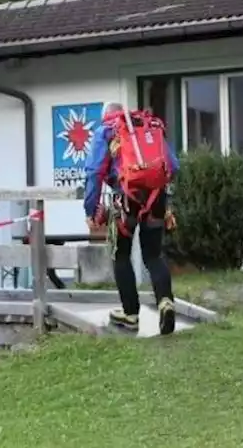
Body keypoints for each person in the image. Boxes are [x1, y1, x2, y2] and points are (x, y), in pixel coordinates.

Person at [82, 102, 180, 335]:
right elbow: (173, 166)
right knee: (154, 254)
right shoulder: (149, 127)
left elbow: (94, 172)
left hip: (125, 200)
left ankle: (130, 314)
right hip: (156, 198)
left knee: (121, 254)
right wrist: (167, 204)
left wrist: (90, 209)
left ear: (106, 115)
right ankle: (165, 301)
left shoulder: (106, 130)